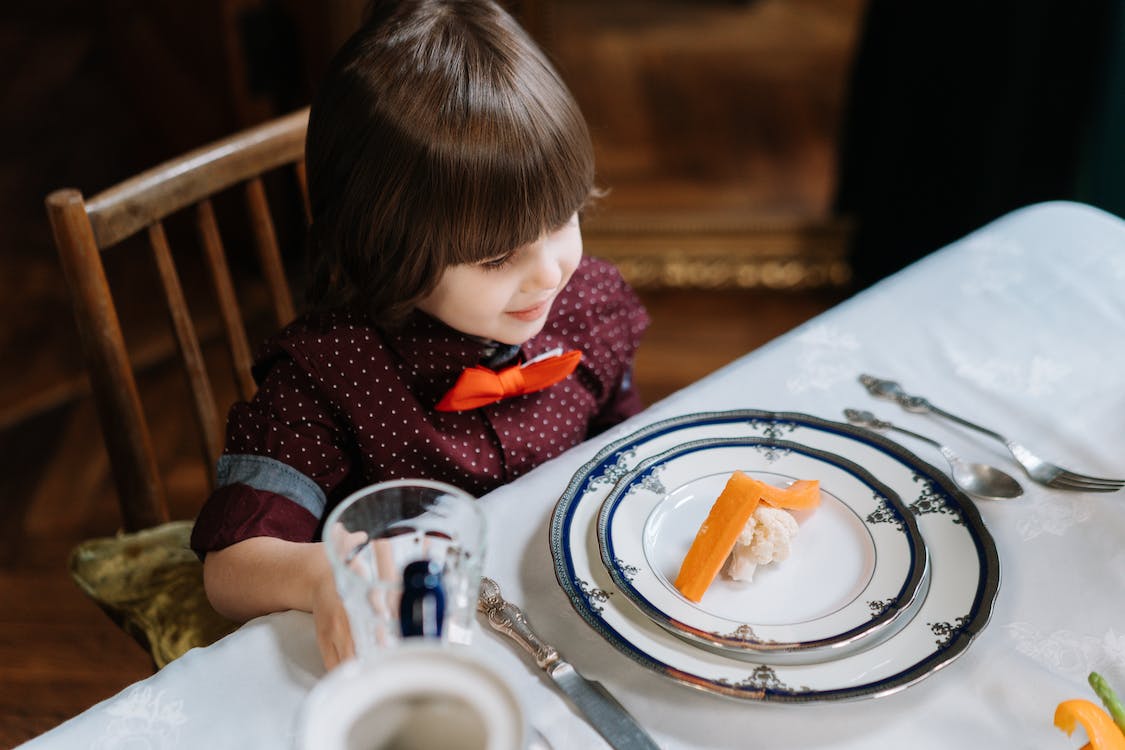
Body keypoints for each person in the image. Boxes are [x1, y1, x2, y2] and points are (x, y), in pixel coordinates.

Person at [190, 0, 649, 669]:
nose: (549, 272)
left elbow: (618, 443)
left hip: (565, 611)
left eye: (563, 218)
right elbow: (229, 570)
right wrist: (320, 575)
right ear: (387, 250)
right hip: (409, 642)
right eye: (496, 259)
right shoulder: (330, 376)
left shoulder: (590, 304)